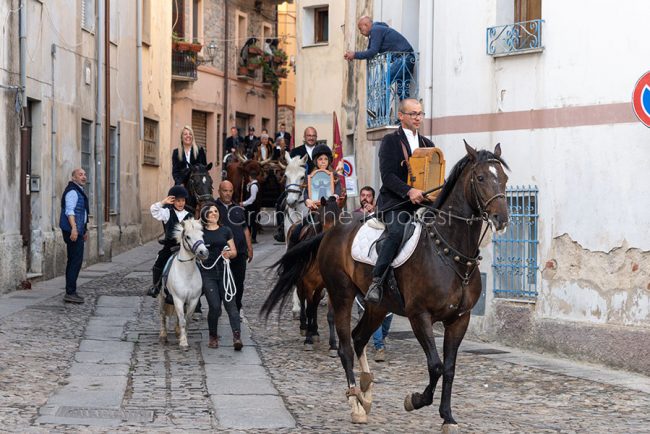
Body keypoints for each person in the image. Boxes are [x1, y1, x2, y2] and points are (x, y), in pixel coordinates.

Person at [365, 98, 434, 304]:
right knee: (396, 231)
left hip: (423, 203)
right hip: (395, 203)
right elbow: (387, 176)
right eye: (413, 114)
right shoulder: (390, 141)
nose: (418, 118)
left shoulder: (428, 144)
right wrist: (409, 191)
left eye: (420, 113)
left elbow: (434, 176)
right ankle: (377, 280)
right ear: (401, 116)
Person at [197, 204, 243, 350]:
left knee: (231, 305)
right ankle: (213, 336)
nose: (213, 214)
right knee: (215, 307)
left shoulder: (226, 230)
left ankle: (237, 337)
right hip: (208, 273)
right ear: (204, 215)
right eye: (209, 212)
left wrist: (229, 254)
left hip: (224, 271)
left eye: (215, 211)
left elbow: (234, 251)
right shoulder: (200, 233)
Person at [344, 16, 415, 99]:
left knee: (383, 82)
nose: (360, 32)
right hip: (408, 59)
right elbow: (370, 50)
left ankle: (382, 111)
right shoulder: (378, 30)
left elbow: (372, 51)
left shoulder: (375, 30)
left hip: (403, 59)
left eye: (360, 28)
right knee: (402, 92)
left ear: (366, 25)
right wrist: (355, 55)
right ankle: (408, 111)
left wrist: (354, 55)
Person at [146, 185, 192, 299]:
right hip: (170, 246)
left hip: (185, 247)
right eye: (177, 201)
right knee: (160, 259)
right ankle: (156, 286)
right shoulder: (167, 213)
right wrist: (163, 202)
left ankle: (197, 294)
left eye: (183, 200)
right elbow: (154, 210)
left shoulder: (189, 215)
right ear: (172, 201)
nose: (181, 203)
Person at [215, 180, 254, 313]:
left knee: (239, 281)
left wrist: (250, 248)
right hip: (220, 253)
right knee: (220, 281)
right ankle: (218, 308)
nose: (228, 194)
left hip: (240, 251)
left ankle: (237, 307)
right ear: (219, 191)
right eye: (225, 191)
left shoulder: (238, 209)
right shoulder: (213, 208)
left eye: (230, 191)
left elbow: (245, 230)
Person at [59, 168, 90, 304]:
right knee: (75, 261)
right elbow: (69, 211)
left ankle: (71, 291)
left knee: (75, 261)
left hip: (77, 230)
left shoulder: (78, 190)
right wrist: (74, 229)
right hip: (73, 231)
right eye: (80, 175)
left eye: (84, 174)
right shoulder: (72, 192)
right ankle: (70, 292)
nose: (83, 177)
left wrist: (84, 230)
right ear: (73, 178)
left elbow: (82, 213)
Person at [304, 144, 345, 211]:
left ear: (329, 161)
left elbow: (338, 186)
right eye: (320, 159)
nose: (323, 162)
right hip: (315, 208)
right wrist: (307, 199)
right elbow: (306, 191)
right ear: (315, 161)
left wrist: (335, 195)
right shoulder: (311, 176)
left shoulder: (334, 174)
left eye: (326, 159)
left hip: (332, 206)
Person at [241, 170, 260, 244]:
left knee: (251, 223)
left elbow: (252, 198)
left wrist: (244, 203)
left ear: (250, 177)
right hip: (252, 207)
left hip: (252, 207)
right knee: (251, 223)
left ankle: (252, 238)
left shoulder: (254, 186)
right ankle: (249, 237)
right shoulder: (252, 185)